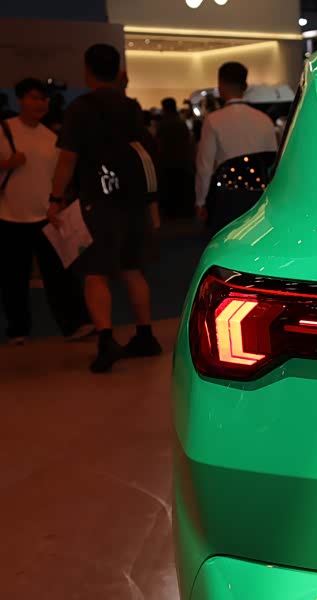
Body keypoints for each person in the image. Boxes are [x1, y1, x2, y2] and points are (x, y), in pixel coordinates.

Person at [48, 44, 161, 373]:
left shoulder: (81, 108)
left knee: (95, 273)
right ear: (118, 71)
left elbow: (67, 159)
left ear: (87, 70)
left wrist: (55, 198)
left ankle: (106, 340)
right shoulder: (130, 106)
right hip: (134, 201)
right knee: (133, 269)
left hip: (100, 200)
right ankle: (145, 335)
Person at [0, 78, 92, 345]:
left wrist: (59, 201)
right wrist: (8, 164)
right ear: (20, 100)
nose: (40, 104)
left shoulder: (51, 137)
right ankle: (18, 329)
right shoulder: (5, 130)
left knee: (59, 274)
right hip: (10, 216)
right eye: (33, 98)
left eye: (43, 99)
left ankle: (74, 325)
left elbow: (59, 175)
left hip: (47, 215)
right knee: (14, 277)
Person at [195, 62, 278, 222]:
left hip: (229, 197)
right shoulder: (264, 119)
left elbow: (205, 166)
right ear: (245, 86)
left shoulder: (213, 120)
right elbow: (273, 163)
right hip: (261, 196)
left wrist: (201, 201)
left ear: (220, 85)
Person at [157, 97, 194, 218]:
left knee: (170, 190)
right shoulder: (181, 123)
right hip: (182, 161)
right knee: (180, 189)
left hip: (168, 162)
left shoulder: (163, 125)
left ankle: (172, 213)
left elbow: (160, 145)